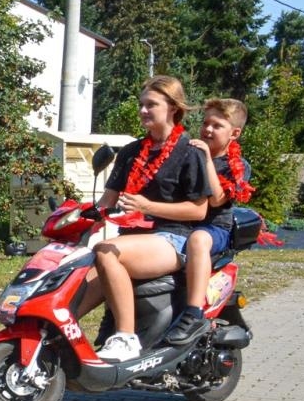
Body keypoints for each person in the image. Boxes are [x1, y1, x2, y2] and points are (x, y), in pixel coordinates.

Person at [85, 76, 210, 362]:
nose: (143, 110)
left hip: (174, 238)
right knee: (76, 271)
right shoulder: (130, 151)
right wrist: (77, 215)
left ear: (173, 108)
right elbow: (107, 202)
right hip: (132, 239)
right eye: (141, 104)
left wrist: (147, 204)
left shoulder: (189, 151)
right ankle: (54, 341)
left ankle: (126, 338)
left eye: (151, 105)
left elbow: (198, 211)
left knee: (104, 251)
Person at [166, 97, 253, 345]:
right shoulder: (189, 155)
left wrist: (205, 159)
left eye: (217, 125)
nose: (207, 129)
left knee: (199, 239)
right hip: (182, 225)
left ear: (234, 133)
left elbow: (217, 200)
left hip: (215, 229)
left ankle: (193, 313)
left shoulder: (237, 165)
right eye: (206, 123)